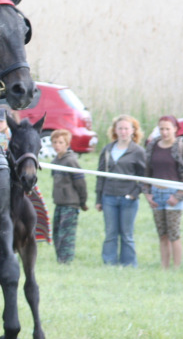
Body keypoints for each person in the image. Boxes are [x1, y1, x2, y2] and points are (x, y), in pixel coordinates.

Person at [95, 114, 146, 267]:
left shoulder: (138, 151)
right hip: (109, 197)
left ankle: (129, 264)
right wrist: (99, 199)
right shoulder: (107, 150)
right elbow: (100, 175)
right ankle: (109, 263)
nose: (123, 131)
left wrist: (134, 194)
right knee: (110, 233)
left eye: (126, 128)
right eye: (120, 128)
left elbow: (144, 177)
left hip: (128, 198)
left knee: (126, 233)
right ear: (115, 130)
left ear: (132, 131)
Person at [142, 115, 183, 269]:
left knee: (173, 234)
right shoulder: (153, 147)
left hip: (173, 193)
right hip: (157, 192)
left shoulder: (180, 147)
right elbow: (147, 171)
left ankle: (176, 267)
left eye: (167, 129)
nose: (164, 132)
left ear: (175, 129)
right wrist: (147, 193)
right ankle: (164, 266)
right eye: (162, 129)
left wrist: (179, 195)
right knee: (162, 234)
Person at [50, 129, 88, 263]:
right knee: (56, 232)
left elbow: (80, 183)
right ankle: (59, 258)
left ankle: (66, 260)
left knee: (66, 234)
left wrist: (82, 202)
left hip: (70, 204)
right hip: (59, 203)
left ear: (67, 144)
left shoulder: (71, 161)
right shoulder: (55, 161)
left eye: (60, 142)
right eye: (54, 142)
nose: (57, 145)